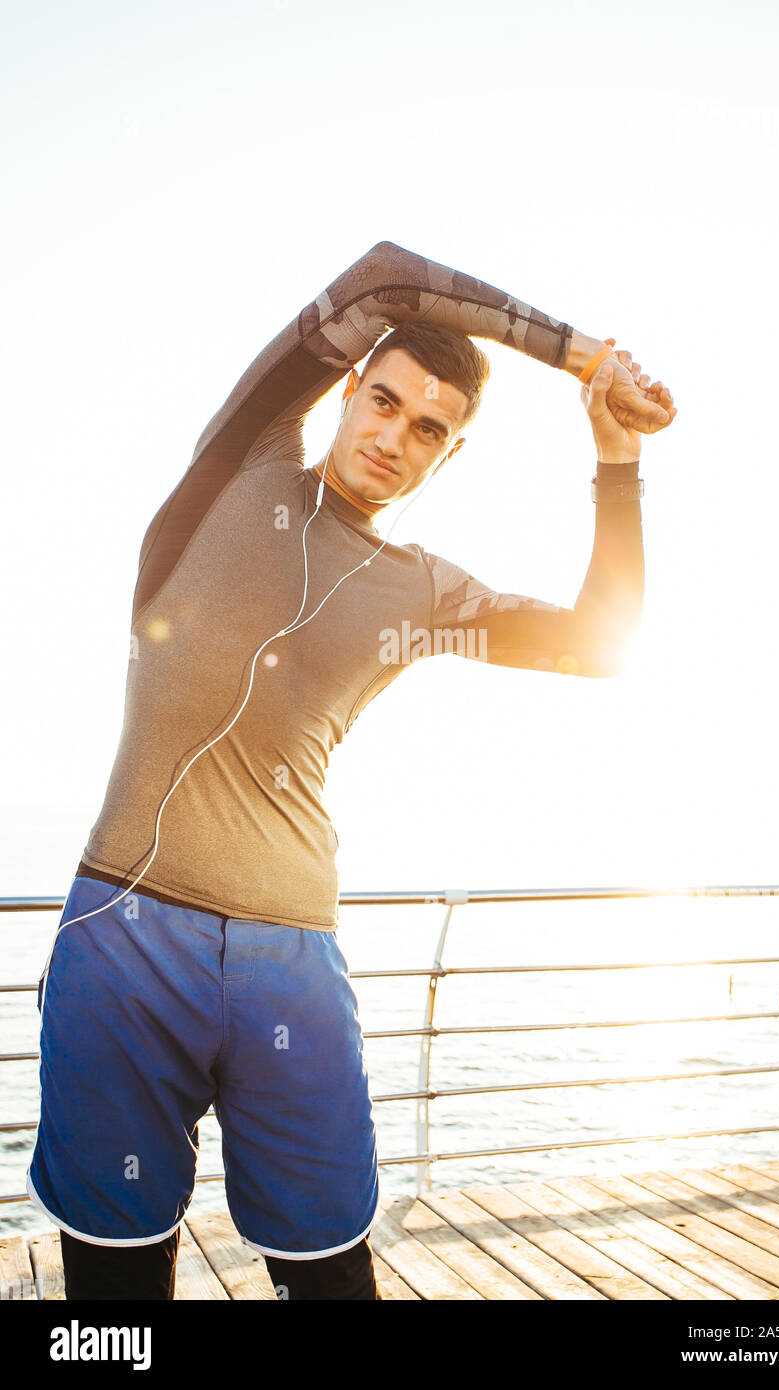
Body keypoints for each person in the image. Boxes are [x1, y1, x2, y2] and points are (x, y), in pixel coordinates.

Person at [26, 241, 675, 1301]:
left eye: (429, 428)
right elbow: (382, 277)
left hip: (292, 965)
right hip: (126, 942)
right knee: (115, 1292)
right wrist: (584, 356)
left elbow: (601, 643)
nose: (395, 434)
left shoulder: (422, 592)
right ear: (343, 395)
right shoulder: (238, 465)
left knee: (331, 1283)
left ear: (446, 458)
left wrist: (614, 455)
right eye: (382, 402)